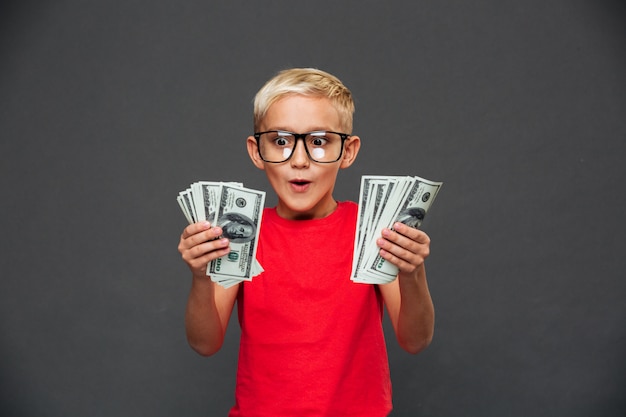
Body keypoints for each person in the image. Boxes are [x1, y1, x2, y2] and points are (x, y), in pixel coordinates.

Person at [178, 68, 435, 417]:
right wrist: (199, 276)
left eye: (319, 141)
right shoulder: (241, 232)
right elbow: (205, 343)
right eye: (281, 141)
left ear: (348, 151)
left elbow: (415, 340)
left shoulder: (373, 230)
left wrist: (412, 272)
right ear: (257, 151)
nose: (299, 160)